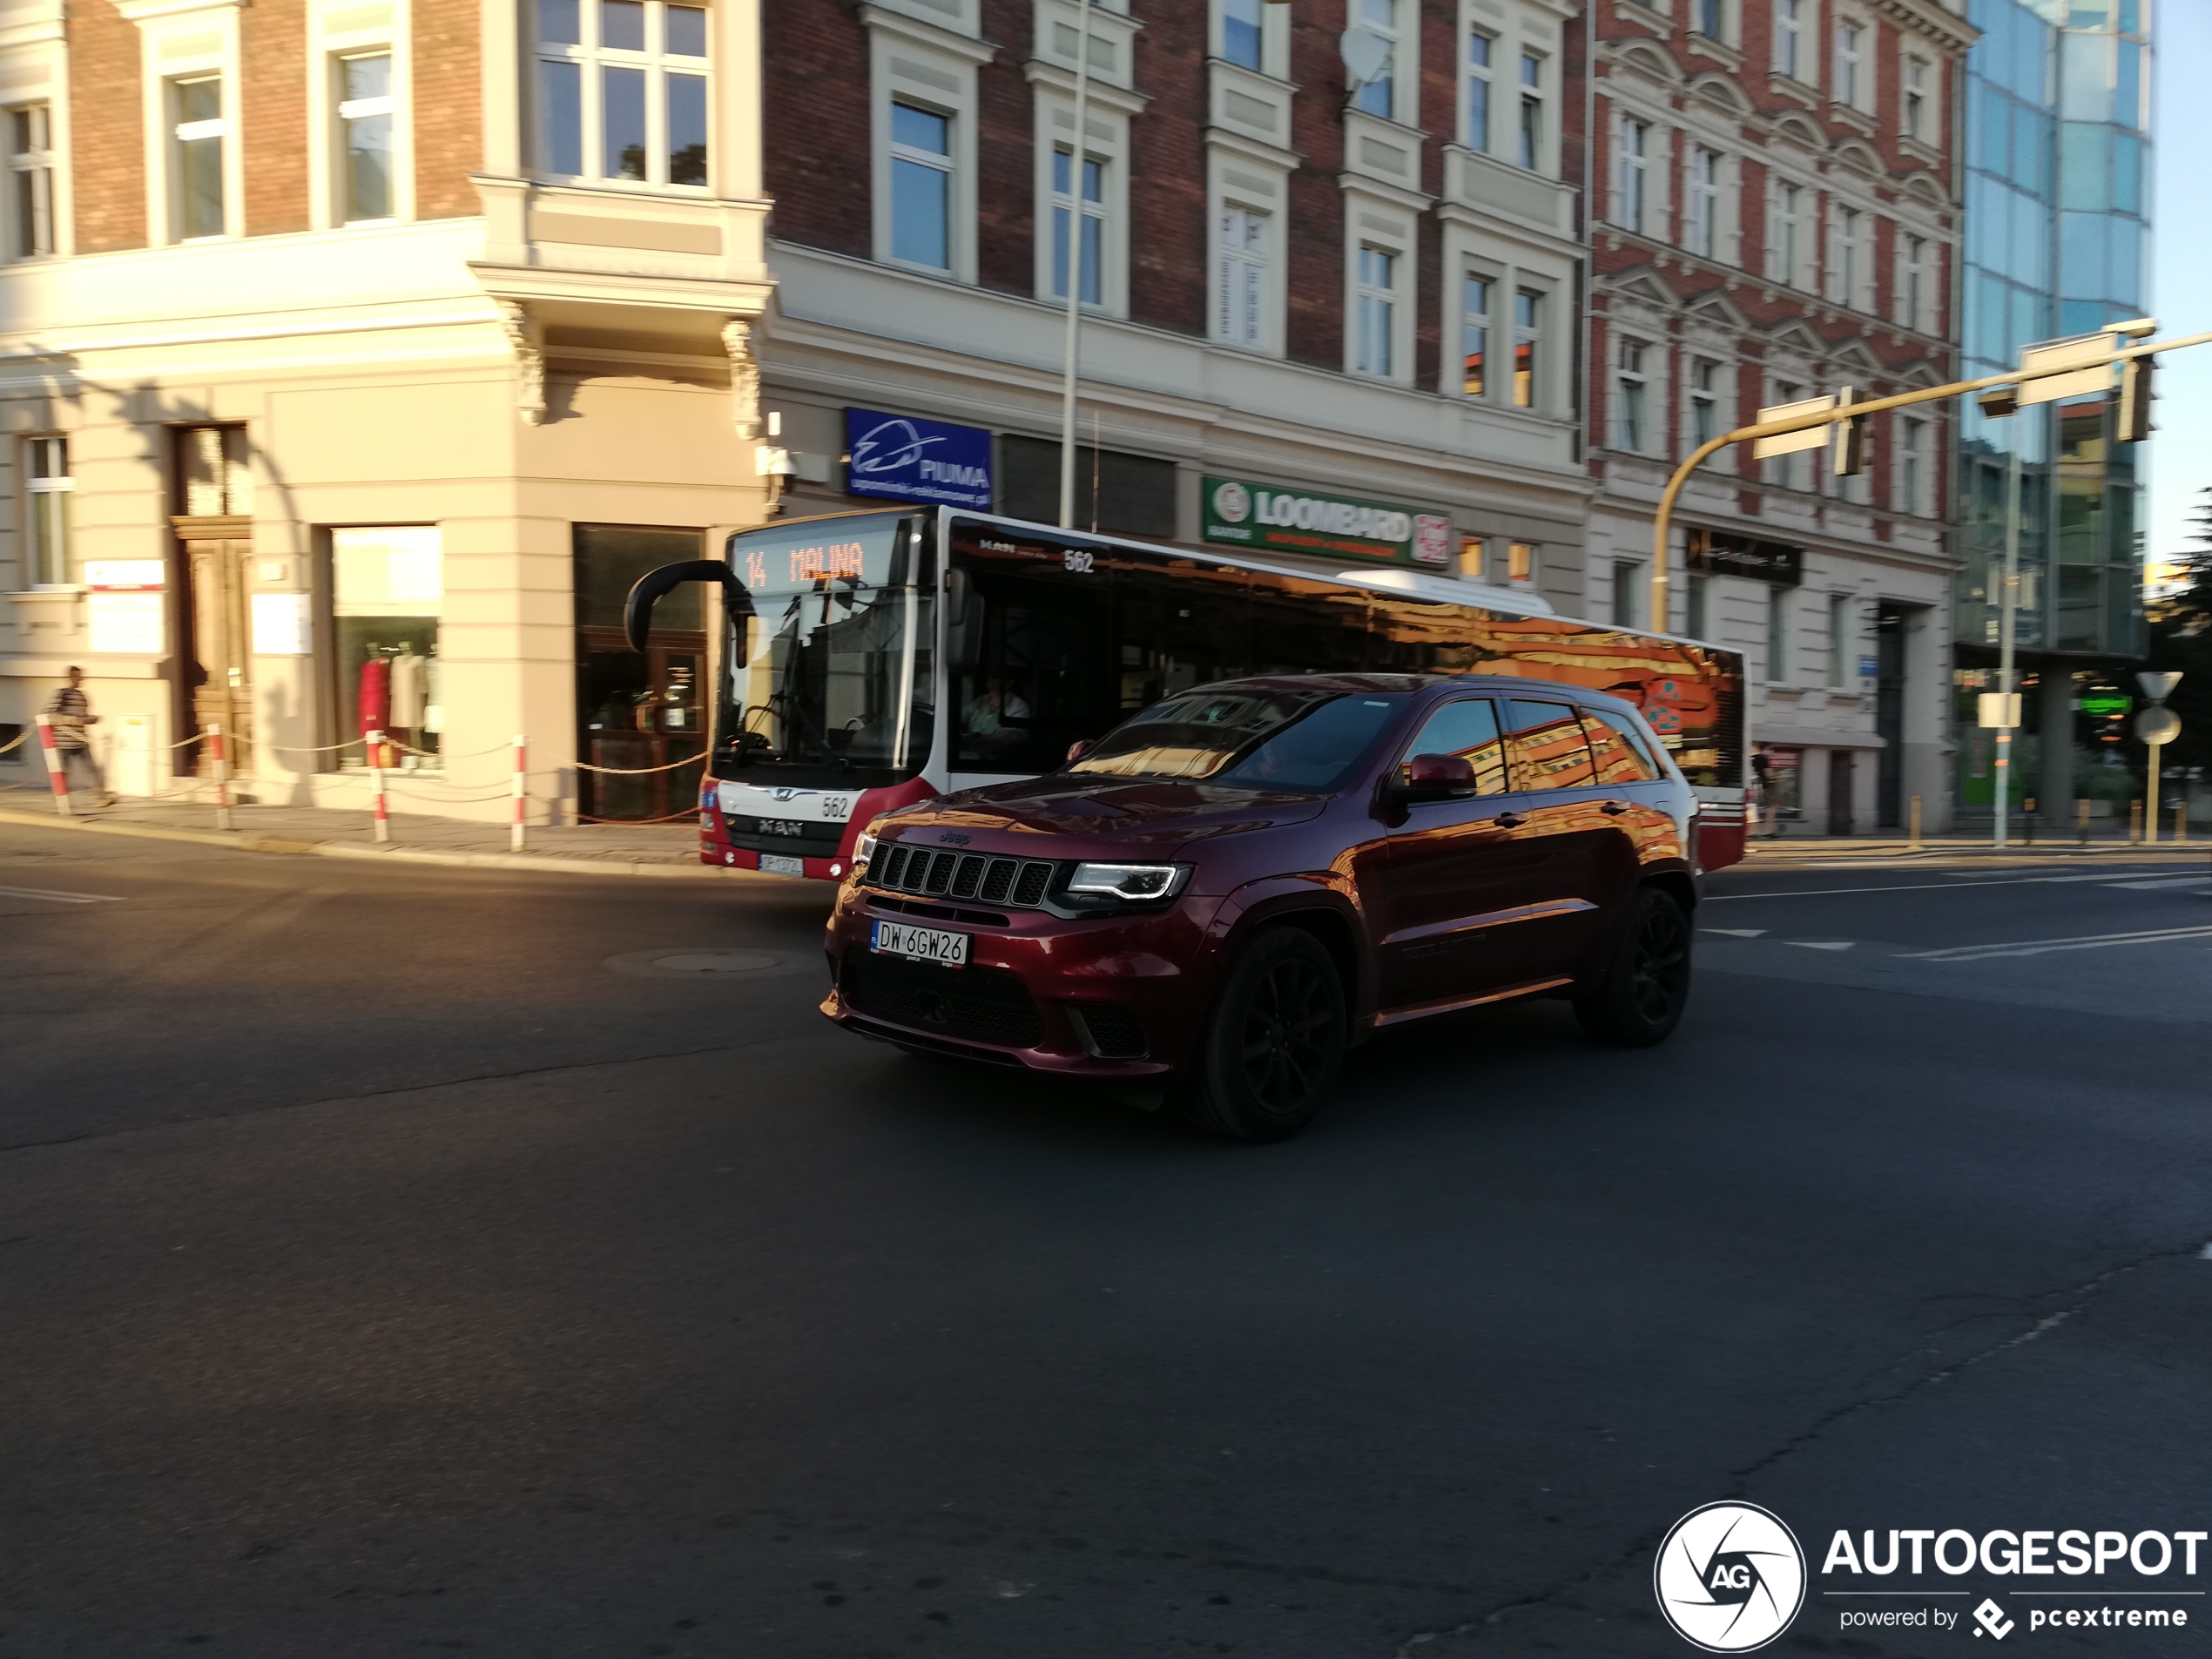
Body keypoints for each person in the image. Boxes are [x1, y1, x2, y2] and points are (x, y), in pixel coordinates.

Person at [45, 665, 116, 806]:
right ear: (69, 678)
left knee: (92, 768)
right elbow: (49, 715)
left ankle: (102, 796)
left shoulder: (82, 696)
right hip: (64, 742)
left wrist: (92, 719)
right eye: (77, 677)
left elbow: (83, 717)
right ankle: (60, 799)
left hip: (81, 740)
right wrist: (73, 721)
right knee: (63, 771)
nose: (79, 680)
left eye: (81, 677)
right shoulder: (61, 694)